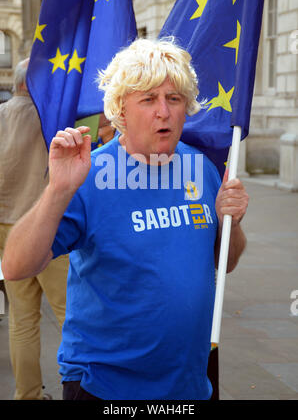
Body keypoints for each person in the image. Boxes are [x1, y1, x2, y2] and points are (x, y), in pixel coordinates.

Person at [2, 39, 249, 400]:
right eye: (148, 99)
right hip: (106, 387)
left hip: (191, 382)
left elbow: (223, 261)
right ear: (121, 109)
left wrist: (234, 222)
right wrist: (57, 190)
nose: (163, 111)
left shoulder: (203, 168)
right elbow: (15, 265)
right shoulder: (88, 175)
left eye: (174, 99)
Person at [0, 58, 69, 400]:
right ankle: (82, 387)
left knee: (22, 319)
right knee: (71, 314)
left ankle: (27, 395)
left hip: (7, 231)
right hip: (46, 229)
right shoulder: (52, 118)